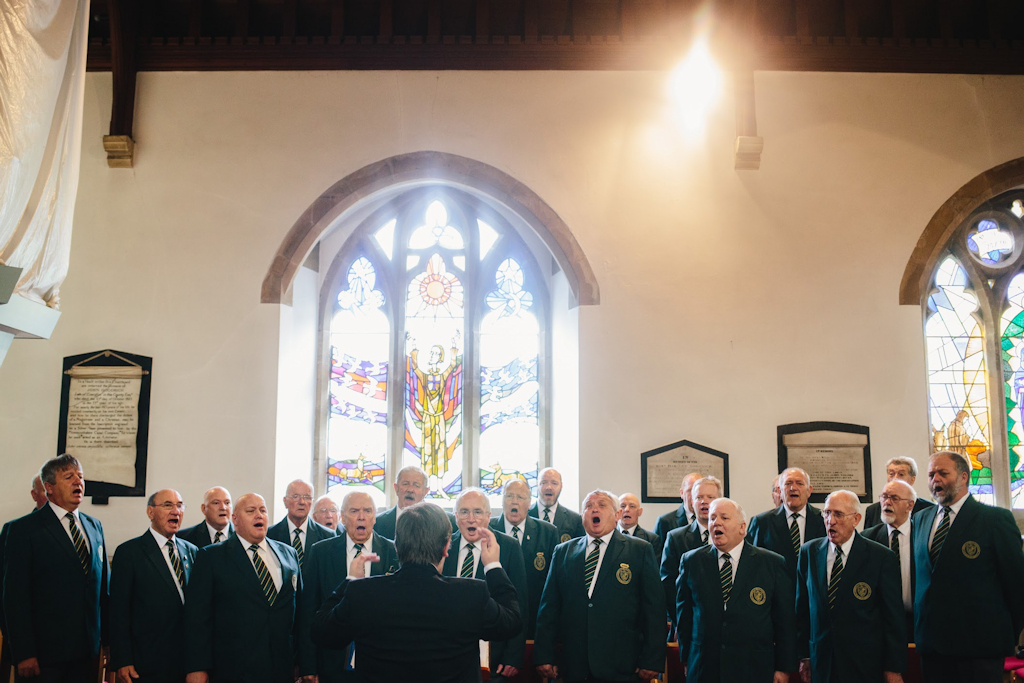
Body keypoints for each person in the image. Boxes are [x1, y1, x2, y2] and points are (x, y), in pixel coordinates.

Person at [310, 502, 522, 683]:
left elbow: (322, 631)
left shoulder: (362, 592)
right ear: (446, 547)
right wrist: (493, 566)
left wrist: (350, 580)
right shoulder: (470, 593)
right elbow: (511, 623)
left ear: (397, 547)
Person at [913, 451, 1024, 683]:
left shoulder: (994, 520)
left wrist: (1007, 636)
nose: (936, 480)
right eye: (931, 474)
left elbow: (1016, 584)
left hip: (979, 648)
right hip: (932, 646)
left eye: (943, 473)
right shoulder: (921, 519)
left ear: (964, 477)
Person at [534, 490, 665, 682]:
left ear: (617, 515)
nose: (594, 509)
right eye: (588, 506)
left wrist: (652, 660)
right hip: (573, 666)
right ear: (583, 517)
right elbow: (549, 608)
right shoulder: (563, 552)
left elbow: (654, 610)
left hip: (622, 666)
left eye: (602, 505)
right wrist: (544, 655)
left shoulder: (640, 550)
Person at [3, 454, 109, 683]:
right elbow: (14, 597)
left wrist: (107, 643)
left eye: (80, 476)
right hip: (43, 657)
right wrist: (24, 653)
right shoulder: (22, 530)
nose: (78, 482)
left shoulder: (94, 526)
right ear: (48, 488)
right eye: (69, 477)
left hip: (86, 653)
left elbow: (103, 591)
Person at [183, 493, 302, 683]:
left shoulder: (288, 554)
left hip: (281, 667)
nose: (259, 515)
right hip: (233, 667)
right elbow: (197, 619)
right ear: (235, 520)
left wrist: (302, 663)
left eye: (263, 510)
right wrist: (197, 667)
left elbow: (300, 612)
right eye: (251, 511)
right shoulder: (211, 557)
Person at [675, 498, 796, 683]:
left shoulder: (771, 563)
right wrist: (686, 660)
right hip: (704, 667)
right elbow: (684, 617)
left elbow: (785, 622)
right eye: (713, 518)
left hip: (754, 668)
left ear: (742, 528)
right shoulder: (691, 561)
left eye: (724, 517)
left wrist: (783, 668)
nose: (716, 523)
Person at [795, 490, 905, 683]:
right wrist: (804, 655)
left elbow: (892, 618)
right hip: (822, 661)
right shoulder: (809, 552)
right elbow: (802, 609)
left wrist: (893, 668)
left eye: (838, 514)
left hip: (864, 664)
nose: (830, 520)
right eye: (827, 513)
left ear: (856, 519)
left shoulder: (880, 557)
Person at [297, 491, 398, 683]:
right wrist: (308, 666)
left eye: (367, 511)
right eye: (354, 511)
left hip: (381, 662)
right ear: (342, 517)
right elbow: (308, 611)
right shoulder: (321, 552)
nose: (361, 516)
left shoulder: (393, 551)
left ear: (374, 517)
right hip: (333, 661)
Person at [109, 489, 198, 683]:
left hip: (186, 663)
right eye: (168, 505)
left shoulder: (192, 551)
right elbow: (118, 611)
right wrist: (123, 659)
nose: (176, 511)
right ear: (150, 512)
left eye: (180, 505)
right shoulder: (129, 553)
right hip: (147, 663)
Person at [443, 489, 528, 681]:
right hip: (448, 654)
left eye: (478, 512)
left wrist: (513, 656)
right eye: (464, 512)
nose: (471, 519)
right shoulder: (444, 546)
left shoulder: (509, 547)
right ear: (456, 516)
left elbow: (519, 602)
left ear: (489, 516)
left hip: (494, 655)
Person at [488, 479, 559, 639]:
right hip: (495, 618)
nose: (514, 501)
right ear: (502, 500)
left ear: (529, 503)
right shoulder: (488, 530)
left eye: (520, 497)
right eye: (509, 496)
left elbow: (553, 584)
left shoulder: (547, 532)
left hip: (534, 620)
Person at [0, 475, 48, 682]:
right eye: (45, 491)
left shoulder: (83, 527)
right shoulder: (16, 530)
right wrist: (21, 647)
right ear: (34, 495)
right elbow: (11, 592)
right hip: (32, 643)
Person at [661, 475, 721, 631]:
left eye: (710, 497)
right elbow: (668, 584)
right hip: (691, 622)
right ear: (691, 502)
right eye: (699, 497)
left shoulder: (732, 535)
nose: (704, 501)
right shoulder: (676, 538)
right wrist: (680, 622)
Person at [746, 467, 826, 579]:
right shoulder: (762, 522)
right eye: (788, 483)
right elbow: (751, 561)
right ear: (779, 490)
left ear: (809, 490)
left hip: (812, 590)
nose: (793, 488)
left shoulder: (824, 520)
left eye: (799, 483)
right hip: (776, 591)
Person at [862, 479, 918, 634]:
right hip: (879, 623)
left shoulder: (922, 534)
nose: (887, 502)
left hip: (917, 620)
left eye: (894, 498)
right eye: (884, 497)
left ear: (910, 505)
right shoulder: (867, 538)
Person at [267, 479, 336, 568]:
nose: (302, 502)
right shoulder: (270, 534)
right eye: (296, 497)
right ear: (285, 501)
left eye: (307, 497)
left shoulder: (327, 536)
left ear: (312, 503)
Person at [373, 466, 456, 540]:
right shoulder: (377, 523)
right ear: (396, 488)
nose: (410, 489)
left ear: (425, 491)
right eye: (405, 484)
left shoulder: (446, 521)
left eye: (416, 485)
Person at [862, 457, 934, 528]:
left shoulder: (929, 509)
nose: (895, 478)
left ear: (912, 480)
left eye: (901, 474)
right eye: (891, 474)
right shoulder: (873, 511)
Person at [528, 468, 584, 542]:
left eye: (554, 483)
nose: (549, 487)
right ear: (537, 485)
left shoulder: (575, 520)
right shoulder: (525, 514)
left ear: (561, 486)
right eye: (544, 482)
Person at [654, 471, 701, 541]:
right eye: (690, 491)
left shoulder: (713, 520)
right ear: (682, 493)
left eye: (699, 491)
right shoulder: (665, 522)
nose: (695, 496)